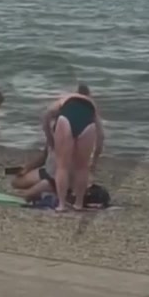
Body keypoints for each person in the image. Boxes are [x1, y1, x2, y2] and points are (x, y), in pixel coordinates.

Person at [43, 83, 104, 213]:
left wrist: (49, 137)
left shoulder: (65, 98)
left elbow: (47, 115)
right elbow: (101, 136)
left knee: (62, 166)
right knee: (82, 167)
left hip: (66, 119)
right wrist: (96, 160)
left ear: (75, 91)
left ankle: (61, 204)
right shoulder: (92, 105)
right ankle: (78, 203)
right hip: (88, 125)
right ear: (88, 95)